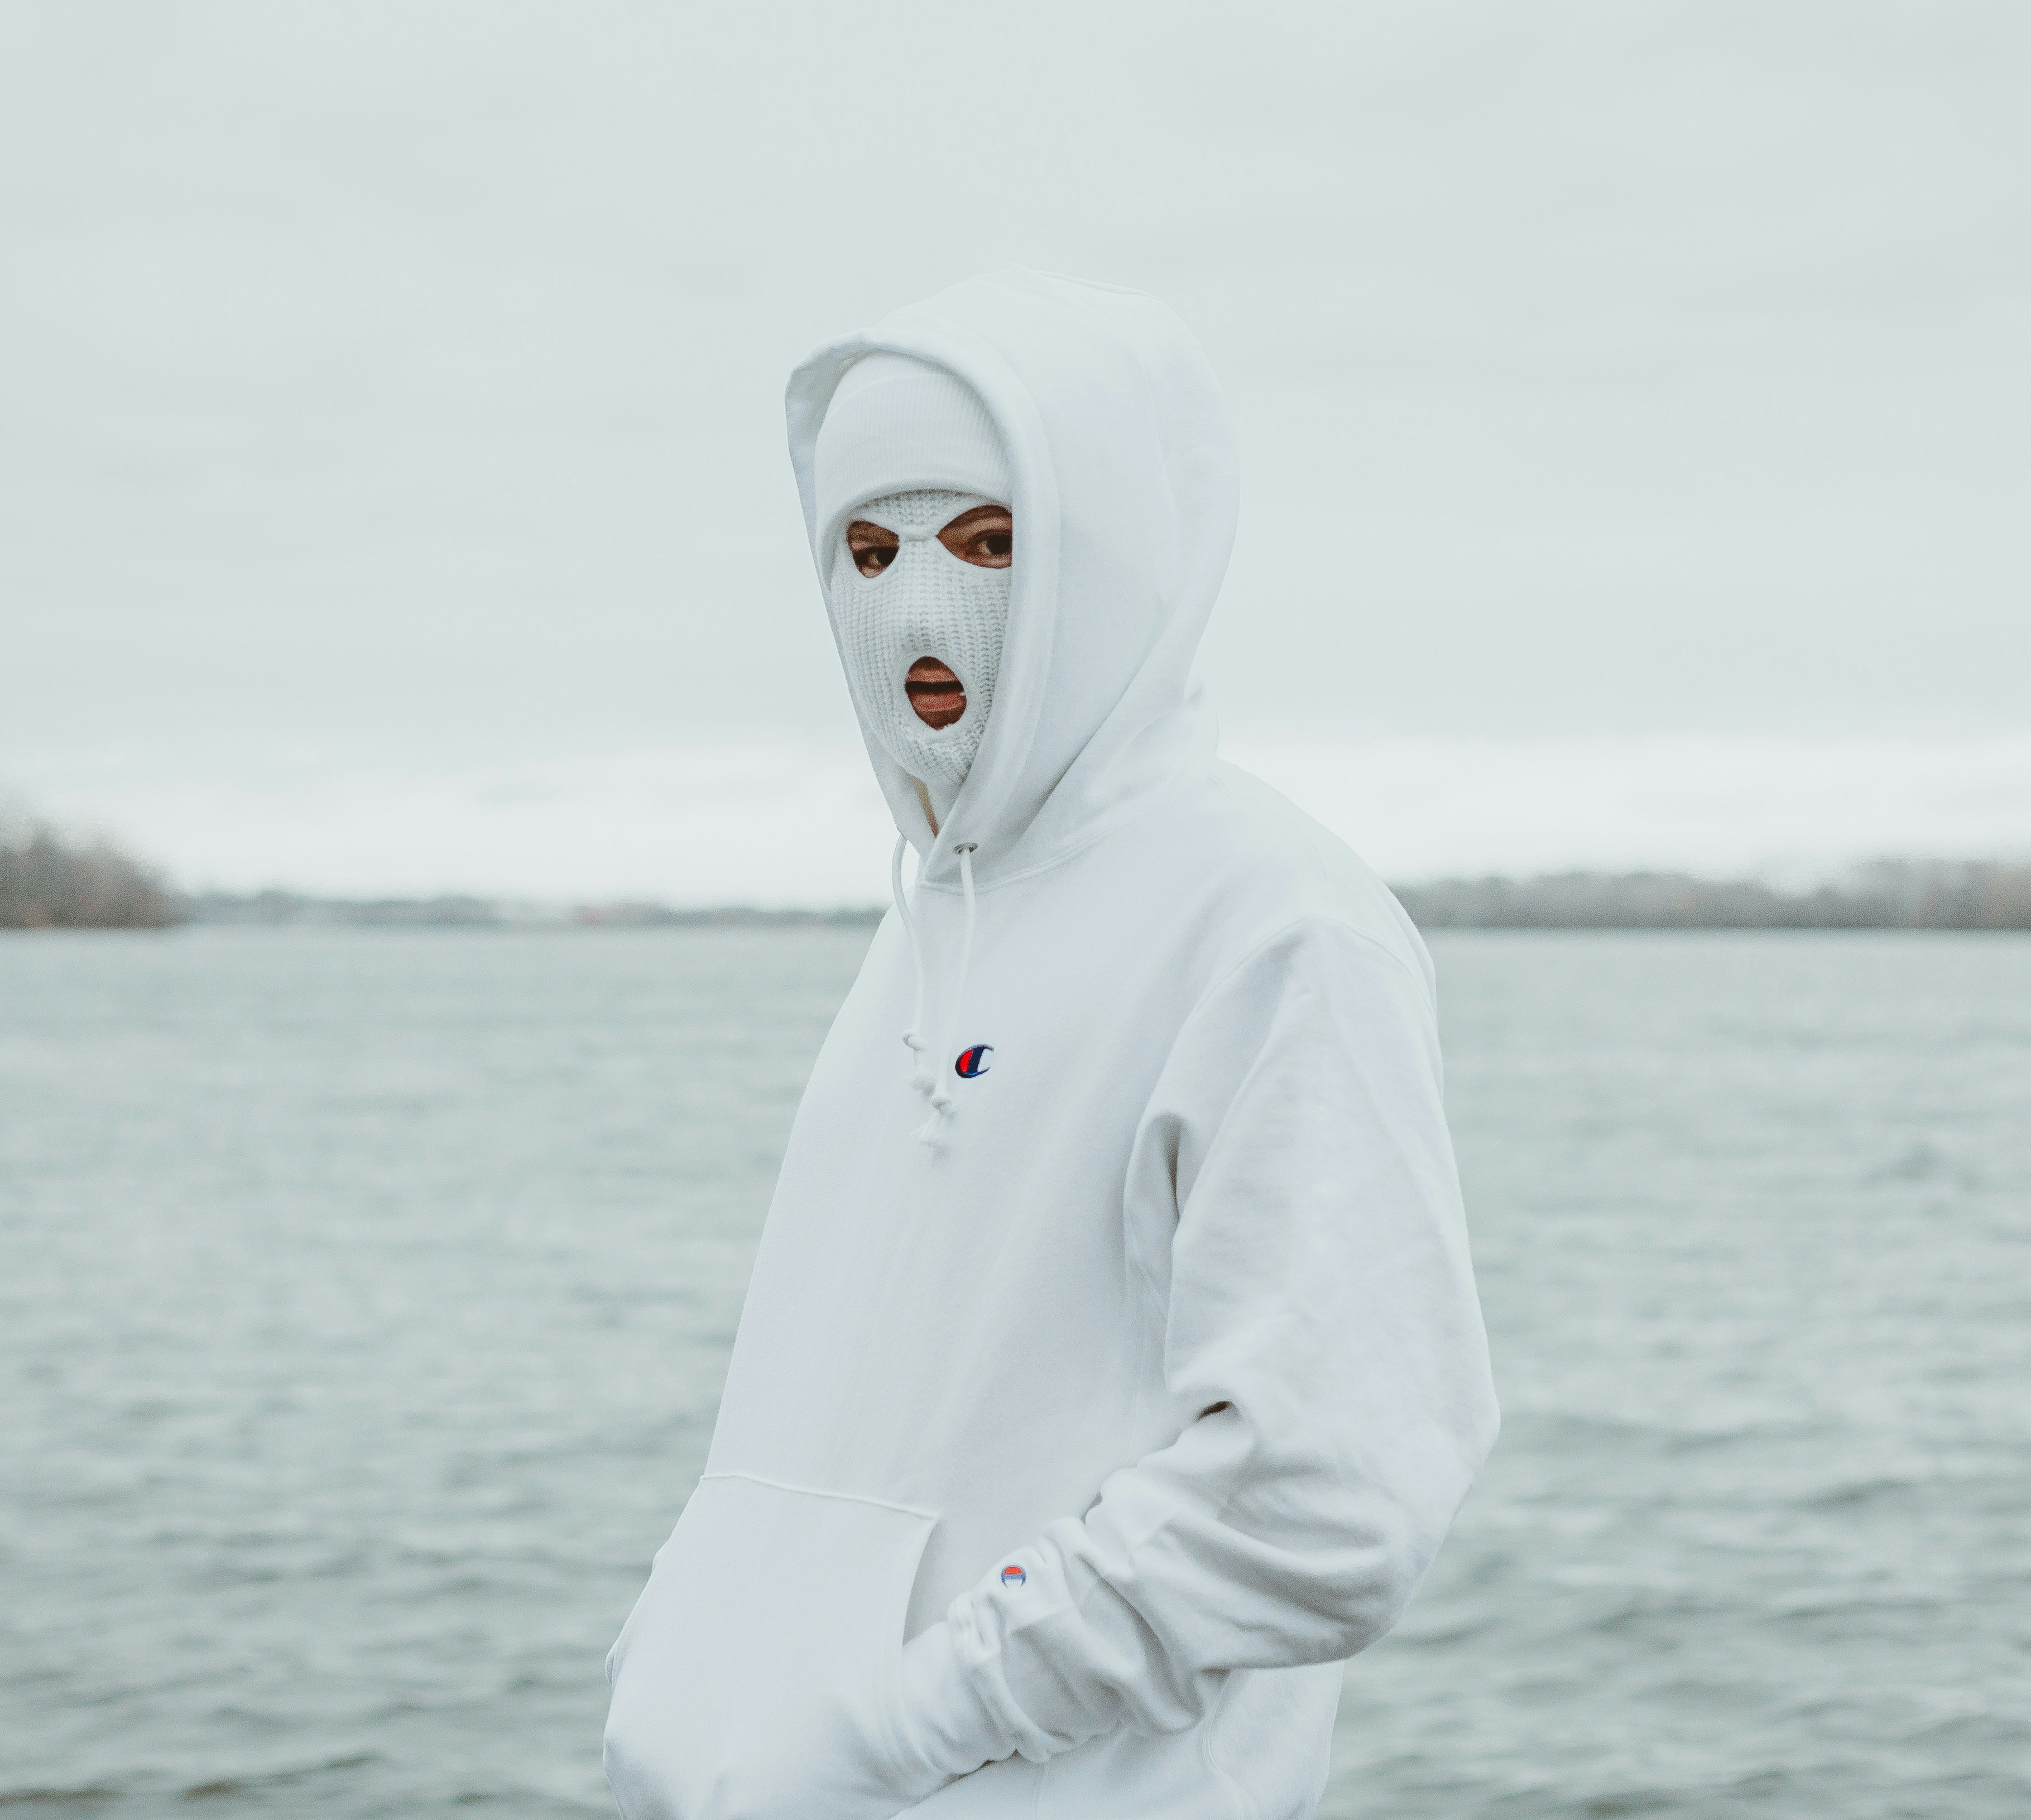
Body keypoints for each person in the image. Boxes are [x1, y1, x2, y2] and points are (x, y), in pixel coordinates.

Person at [602, 268, 1497, 1819]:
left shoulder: (1276, 927)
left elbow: (1329, 1491)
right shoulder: (930, 927)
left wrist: (900, 1725)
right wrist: (687, 1674)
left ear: (1116, 553)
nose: (914, 605)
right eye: (867, 551)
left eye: (988, 539)